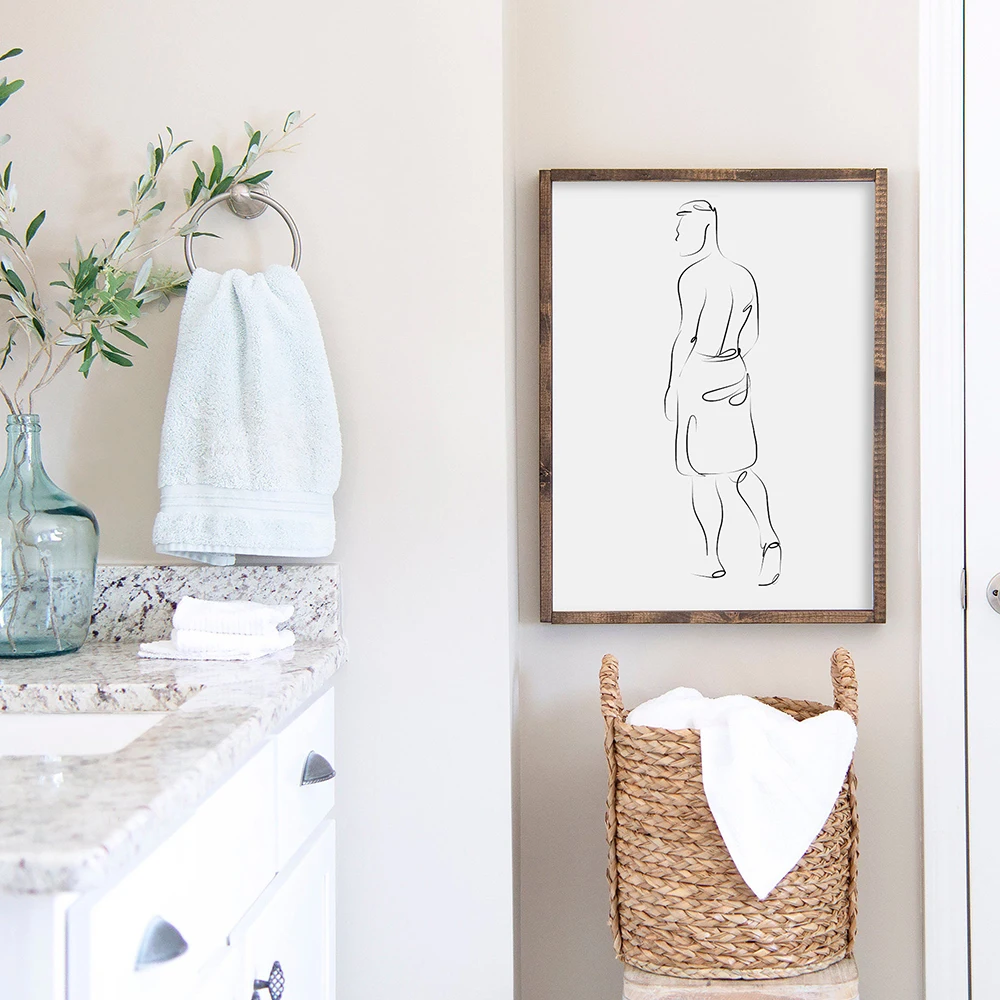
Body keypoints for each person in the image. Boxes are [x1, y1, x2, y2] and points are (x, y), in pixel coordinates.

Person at [664, 199, 781, 586]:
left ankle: (711, 556)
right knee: (739, 468)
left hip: (700, 375)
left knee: (702, 474)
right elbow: (752, 334)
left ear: (705, 228)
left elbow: (687, 335)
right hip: (735, 371)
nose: (677, 236)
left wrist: (672, 385)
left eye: (682, 228)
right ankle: (768, 538)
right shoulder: (743, 276)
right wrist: (731, 362)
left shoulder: (693, 277)